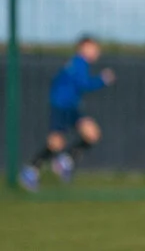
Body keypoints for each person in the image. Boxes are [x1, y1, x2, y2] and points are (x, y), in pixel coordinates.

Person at [19, 36, 115, 191]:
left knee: (92, 134)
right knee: (56, 143)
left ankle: (64, 162)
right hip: (61, 106)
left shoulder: (79, 64)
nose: (97, 52)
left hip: (71, 107)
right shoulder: (78, 63)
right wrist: (102, 80)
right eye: (93, 48)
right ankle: (31, 169)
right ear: (83, 48)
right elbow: (84, 84)